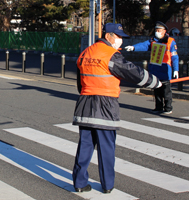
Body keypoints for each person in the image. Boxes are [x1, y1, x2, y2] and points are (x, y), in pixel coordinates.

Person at [72, 23, 162, 194]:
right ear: (108, 36)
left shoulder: (85, 52)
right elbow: (133, 72)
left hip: (85, 103)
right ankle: (107, 185)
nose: (120, 40)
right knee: (106, 147)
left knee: (85, 145)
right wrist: (154, 82)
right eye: (118, 36)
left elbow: (80, 82)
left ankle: (79, 182)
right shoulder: (111, 55)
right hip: (105, 104)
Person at [125, 21, 179, 114]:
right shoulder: (153, 40)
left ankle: (168, 107)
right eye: (156, 30)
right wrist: (133, 47)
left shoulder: (170, 41)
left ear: (164, 31)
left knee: (166, 91)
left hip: (165, 69)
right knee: (157, 90)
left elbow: (175, 57)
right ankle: (158, 107)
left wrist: (176, 69)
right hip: (155, 69)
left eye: (159, 30)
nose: (157, 32)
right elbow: (144, 45)